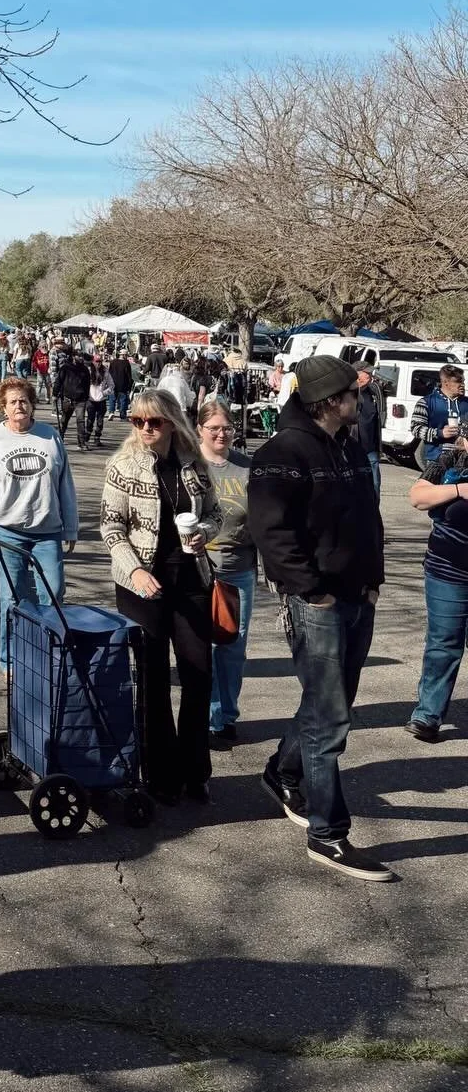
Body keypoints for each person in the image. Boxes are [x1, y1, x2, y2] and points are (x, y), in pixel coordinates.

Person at [248, 353, 388, 880]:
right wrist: (312, 591)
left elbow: (367, 516)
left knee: (330, 703)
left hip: (357, 597)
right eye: (354, 394)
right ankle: (327, 834)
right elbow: (271, 532)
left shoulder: (346, 444)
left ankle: (281, 771)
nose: (361, 401)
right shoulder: (282, 452)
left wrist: (372, 581)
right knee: (330, 718)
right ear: (331, 401)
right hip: (317, 604)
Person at [102, 388, 221, 807]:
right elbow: (111, 527)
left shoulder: (193, 464)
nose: (145, 428)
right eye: (137, 421)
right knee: (152, 680)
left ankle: (195, 770)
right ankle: (161, 773)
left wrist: (203, 534)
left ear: (171, 422)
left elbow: (215, 514)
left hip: (190, 579)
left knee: (198, 674)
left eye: (153, 421)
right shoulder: (123, 465)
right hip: (142, 584)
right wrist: (134, 569)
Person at [0, 378, 78, 668]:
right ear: (3, 408)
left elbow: (65, 485)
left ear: (32, 404)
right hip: (7, 531)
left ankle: (48, 658)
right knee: (12, 599)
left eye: (24, 400)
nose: (19, 405)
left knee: (53, 595)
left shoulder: (49, 436)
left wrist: (70, 527)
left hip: (48, 531)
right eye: (13, 401)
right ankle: (11, 660)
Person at [197, 398, 255, 750]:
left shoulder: (247, 467)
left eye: (227, 428)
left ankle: (224, 717)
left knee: (232, 647)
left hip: (238, 571)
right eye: (214, 428)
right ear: (200, 429)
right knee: (200, 645)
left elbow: (263, 518)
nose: (221, 434)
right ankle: (203, 715)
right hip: (197, 571)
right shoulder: (191, 465)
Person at [405, 436, 468, 742]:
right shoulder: (448, 461)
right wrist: (459, 490)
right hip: (447, 571)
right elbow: (418, 497)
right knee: (443, 643)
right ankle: (428, 715)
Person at [412, 363, 467, 467]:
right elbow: (416, 429)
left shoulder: (466, 403)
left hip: (464, 461)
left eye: (463, 381)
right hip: (436, 460)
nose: (462, 385)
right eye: (458, 381)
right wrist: (440, 433)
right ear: (446, 382)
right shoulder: (426, 402)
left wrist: (463, 434)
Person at [355, 368, 383, 495]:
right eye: (367, 373)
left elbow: (379, 415)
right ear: (358, 375)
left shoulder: (373, 392)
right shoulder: (349, 393)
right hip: (354, 446)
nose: (370, 376)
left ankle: (374, 505)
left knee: (375, 484)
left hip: (371, 447)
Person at [57, 349, 92, 449]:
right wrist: (55, 394)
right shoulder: (65, 368)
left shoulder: (85, 369)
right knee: (64, 420)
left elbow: (87, 384)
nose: (81, 358)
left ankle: (81, 443)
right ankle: (60, 437)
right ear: (73, 356)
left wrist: (86, 397)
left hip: (80, 399)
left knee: (80, 421)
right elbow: (59, 381)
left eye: (82, 356)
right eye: (78, 356)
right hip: (68, 398)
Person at [156, 349, 195, 418]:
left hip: (165, 409)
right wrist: (189, 405)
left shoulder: (163, 380)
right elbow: (189, 398)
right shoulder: (181, 381)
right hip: (180, 409)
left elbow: (158, 394)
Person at [84, 360, 108, 448]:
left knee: (100, 421)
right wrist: (85, 394)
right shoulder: (89, 371)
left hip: (101, 400)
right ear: (93, 362)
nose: (98, 363)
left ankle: (97, 438)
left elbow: (111, 384)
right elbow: (84, 384)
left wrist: (105, 393)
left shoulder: (105, 371)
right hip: (91, 400)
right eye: (96, 362)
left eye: (100, 361)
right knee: (90, 419)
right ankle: (86, 437)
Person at [107, 351, 134, 423]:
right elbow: (129, 375)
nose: (127, 356)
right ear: (124, 355)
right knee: (123, 400)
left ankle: (111, 412)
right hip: (123, 384)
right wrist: (129, 385)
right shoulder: (126, 363)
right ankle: (123, 416)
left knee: (112, 399)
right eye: (126, 355)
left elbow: (109, 372)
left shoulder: (113, 362)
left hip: (113, 383)